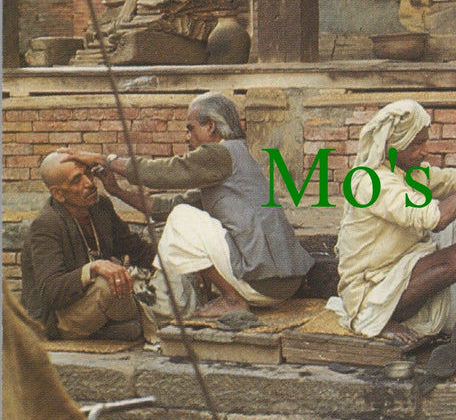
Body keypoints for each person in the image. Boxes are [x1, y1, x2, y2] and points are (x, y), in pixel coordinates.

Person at [61, 92, 314, 322]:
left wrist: (106, 159)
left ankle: (230, 300)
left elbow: (161, 173)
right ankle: (205, 296)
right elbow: (163, 206)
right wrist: (116, 191)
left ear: (211, 127)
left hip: (265, 284)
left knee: (182, 218)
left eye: (191, 129)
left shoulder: (220, 154)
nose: (187, 137)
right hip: (282, 286)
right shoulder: (234, 160)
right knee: (180, 213)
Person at [334, 99, 456, 343]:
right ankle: (377, 319)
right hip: (369, 287)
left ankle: (409, 312)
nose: (425, 151)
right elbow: (438, 219)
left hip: (400, 270)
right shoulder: (372, 182)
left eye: (425, 142)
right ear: (394, 145)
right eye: (417, 144)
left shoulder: (413, 173)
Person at [21, 151, 155, 340]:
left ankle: (120, 326)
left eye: (89, 173)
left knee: (159, 282)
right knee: (107, 286)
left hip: (98, 306)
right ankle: (138, 322)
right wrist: (92, 269)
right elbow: (50, 291)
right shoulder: (46, 224)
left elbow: (135, 249)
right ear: (58, 194)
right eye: (77, 180)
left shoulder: (100, 207)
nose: (90, 183)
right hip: (59, 317)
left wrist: (176, 261)